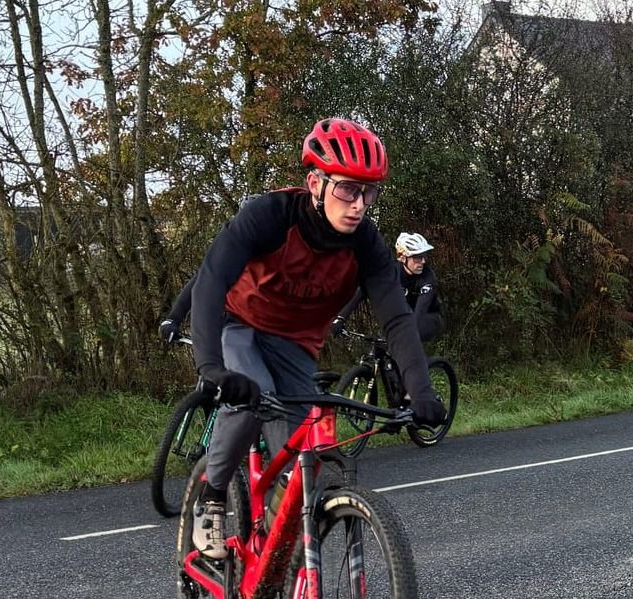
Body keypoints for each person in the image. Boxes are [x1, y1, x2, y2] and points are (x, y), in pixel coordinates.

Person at [184, 118, 445, 559]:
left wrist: (420, 391)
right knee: (254, 397)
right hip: (239, 323)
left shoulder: (366, 244)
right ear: (315, 184)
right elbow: (210, 281)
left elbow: (398, 320)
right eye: (347, 189)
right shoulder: (269, 216)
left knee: (299, 463)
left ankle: (270, 564)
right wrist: (210, 366)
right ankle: (211, 498)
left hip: (295, 343)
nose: (358, 205)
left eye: (369, 193)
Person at [331, 231, 444, 343]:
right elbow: (363, 291)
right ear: (403, 258)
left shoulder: (427, 277)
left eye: (424, 256)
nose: (423, 261)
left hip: (428, 317)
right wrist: (340, 318)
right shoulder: (391, 271)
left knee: (408, 336)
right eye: (417, 257)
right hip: (401, 317)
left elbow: (421, 308)